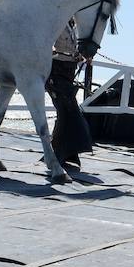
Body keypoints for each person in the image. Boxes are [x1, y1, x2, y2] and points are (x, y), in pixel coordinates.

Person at [46, 19, 93, 168]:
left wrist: (80, 57)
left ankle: (64, 153)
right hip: (56, 71)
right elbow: (47, 44)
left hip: (69, 72)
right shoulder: (57, 23)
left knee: (66, 112)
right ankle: (62, 153)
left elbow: (74, 48)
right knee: (68, 110)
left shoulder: (74, 28)